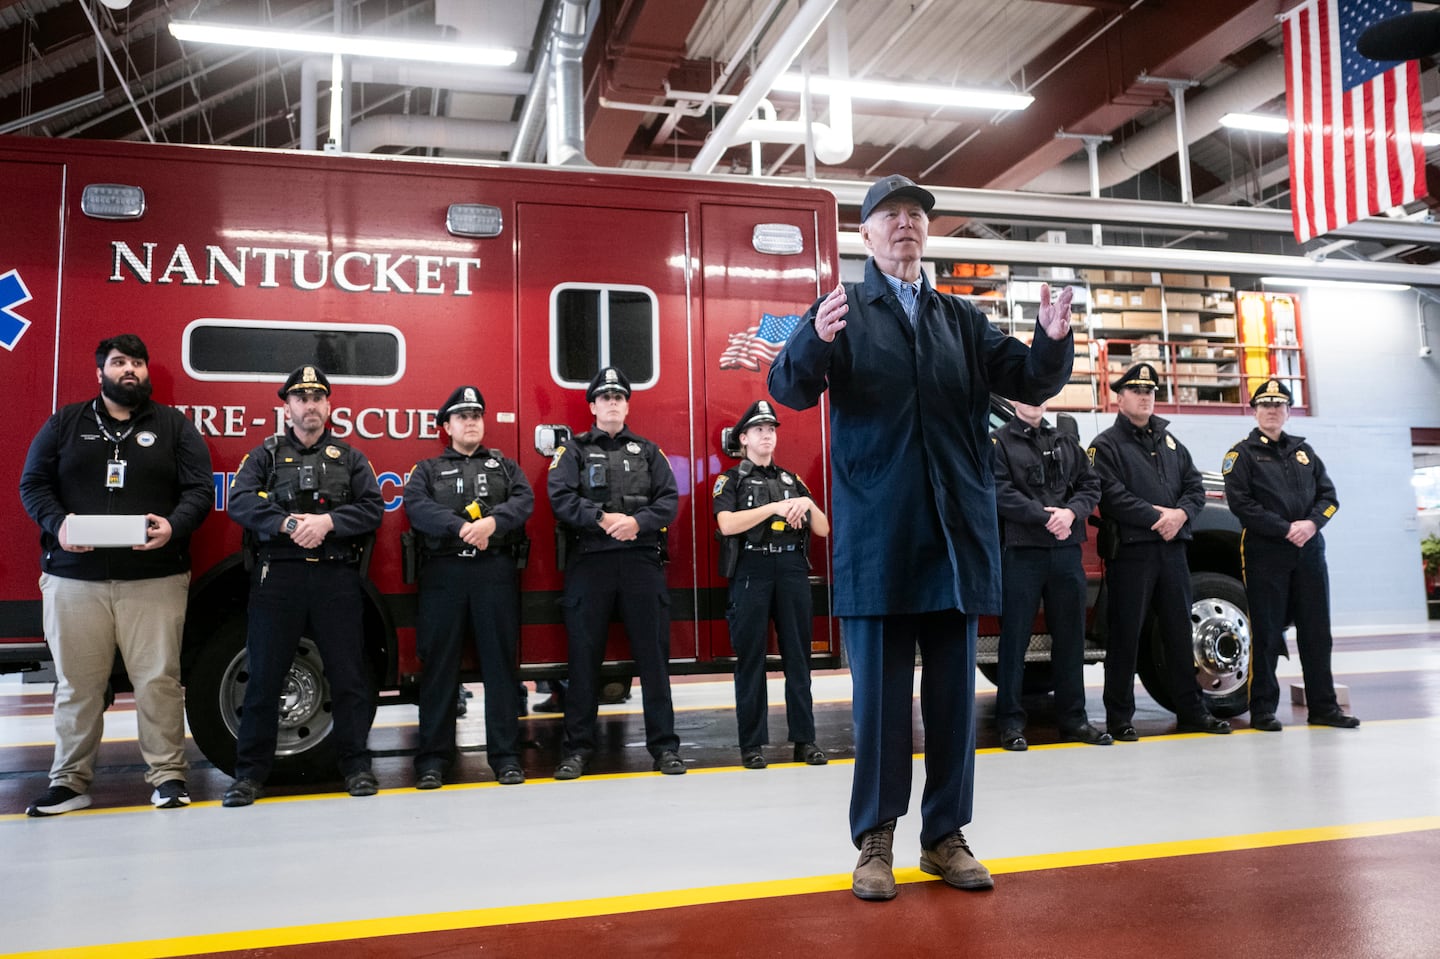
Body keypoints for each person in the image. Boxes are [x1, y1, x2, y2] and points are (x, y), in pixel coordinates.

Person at [769, 174, 1076, 901]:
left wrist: (1053, 338)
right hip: (880, 538)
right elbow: (787, 388)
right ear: (867, 235)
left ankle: (944, 836)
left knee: (949, 699)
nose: (906, 224)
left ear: (926, 233)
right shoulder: (840, 311)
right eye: (890, 215)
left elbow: (1030, 379)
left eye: (916, 215)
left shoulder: (961, 321)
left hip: (954, 536)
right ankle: (876, 838)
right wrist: (812, 340)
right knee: (879, 705)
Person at [19, 334, 213, 816]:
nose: (130, 371)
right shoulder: (66, 422)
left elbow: (198, 489)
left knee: (158, 681)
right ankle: (69, 782)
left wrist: (174, 526)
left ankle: (168, 777)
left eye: (138, 363)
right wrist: (57, 524)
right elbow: (34, 483)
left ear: (147, 373)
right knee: (76, 686)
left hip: (155, 580)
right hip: (73, 580)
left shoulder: (173, 426)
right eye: (119, 363)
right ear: (100, 372)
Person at [222, 365, 384, 807]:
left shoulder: (350, 459)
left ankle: (356, 766)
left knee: (349, 677)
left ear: (328, 406)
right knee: (264, 678)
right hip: (280, 577)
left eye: (317, 398)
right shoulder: (265, 456)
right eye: (300, 398)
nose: (309, 406)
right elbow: (239, 502)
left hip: (335, 577)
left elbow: (373, 508)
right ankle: (249, 775)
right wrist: (290, 522)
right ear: (287, 406)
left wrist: (329, 521)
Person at [546, 366, 685, 779]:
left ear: (627, 405)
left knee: (654, 661)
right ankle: (577, 750)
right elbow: (560, 497)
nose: (612, 403)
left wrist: (637, 523)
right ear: (592, 405)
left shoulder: (648, 452)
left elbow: (668, 500)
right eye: (604, 398)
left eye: (619, 397)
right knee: (583, 660)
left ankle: (665, 749)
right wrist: (603, 519)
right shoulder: (571, 451)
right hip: (591, 563)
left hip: (640, 561)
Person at [1087, 363, 1231, 741]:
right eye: (1136, 390)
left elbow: (1195, 487)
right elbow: (1110, 495)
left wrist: (1181, 514)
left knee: (1178, 633)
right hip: (1133, 553)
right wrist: (1157, 517)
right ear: (1119, 398)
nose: (1146, 396)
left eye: (1150, 391)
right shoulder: (1105, 446)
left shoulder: (1170, 443)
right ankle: (1120, 717)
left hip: (1172, 551)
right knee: (1125, 637)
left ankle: (1191, 710)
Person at [404, 385, 534, 788]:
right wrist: (460, 527)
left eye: (476, 415)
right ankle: (432, 760)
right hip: (444, 577)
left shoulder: (505, 467)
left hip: (493, 574)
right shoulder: (426, 470)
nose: (471, 422)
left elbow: (524, 500)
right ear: (447, 426)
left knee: (500, 668)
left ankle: (506, 757)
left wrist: (492, 524)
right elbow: (417, 505)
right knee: (440, 669)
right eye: (462, 416)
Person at [1222, 379, 1359, 731]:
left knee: (1317, 633)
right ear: (1255, 411)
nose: (1272, 411)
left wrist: (1311, 525)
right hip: (1267, 553)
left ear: (1287, 411)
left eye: (1279, 405)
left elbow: (1330, 499)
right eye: (1265, 405)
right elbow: (1242, 505)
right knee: (1267, 634)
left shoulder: (1306, 454)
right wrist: (1286, 529)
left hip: (1310, 552)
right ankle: (1263, 710)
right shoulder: (1241, 455)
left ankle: (1324, 707)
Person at [713, 399, 831, 769]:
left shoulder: (791, 480)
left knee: (799, 657)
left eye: (771, 430)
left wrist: (805, 506)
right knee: (751, 659)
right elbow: (727, 524)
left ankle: (805, 740)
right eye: (759, 430)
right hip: (752, 569)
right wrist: (774, 509)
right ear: (743, 438)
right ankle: (752, 745)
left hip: (792, 570)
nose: (767, 435)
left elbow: (824, 528)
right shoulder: (730, 480)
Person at [991, 399, 1110, 751]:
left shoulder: (1066, 442)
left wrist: (1071, 514)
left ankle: (1074, 719)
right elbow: (999, 491)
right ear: (1014, 400)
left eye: (1041, 394)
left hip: (1065, 552)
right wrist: (1044, 516)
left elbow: (1091, 486)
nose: (1034, 401)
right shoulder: (998, 442)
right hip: (1022, 552)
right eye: (1027, 394)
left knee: (1071, 639)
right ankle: (1010, 723)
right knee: (1014, 641)